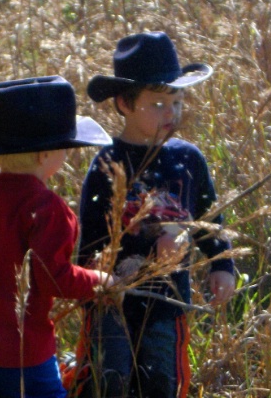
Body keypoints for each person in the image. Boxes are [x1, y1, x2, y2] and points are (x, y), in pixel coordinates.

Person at [77, 32, 236, 397]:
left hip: (167, 299)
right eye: (158, 104)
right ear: (124, 103)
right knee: (107, 379)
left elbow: (209, 217)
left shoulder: (187, 159)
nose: (171, 113)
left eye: (177, 102)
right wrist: (94, 284)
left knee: (161, 380)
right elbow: (90, 234)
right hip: (111, 299)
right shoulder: (107, 160)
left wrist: (221, 264)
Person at [0, 75, 121, 398]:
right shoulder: (45, 209)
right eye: (65, 147)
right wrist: (99, 279)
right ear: (44, 156)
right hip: (19, 357)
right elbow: (55, 279)